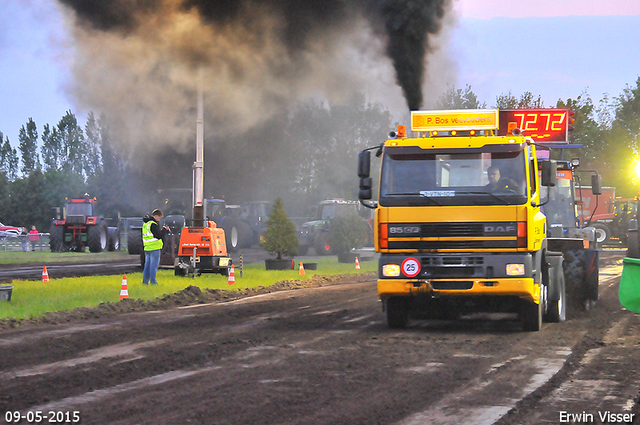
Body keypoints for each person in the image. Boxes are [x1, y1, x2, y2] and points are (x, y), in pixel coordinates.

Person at [142, 209, 169, 285]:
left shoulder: (146, 224)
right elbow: (158, 235)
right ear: (156, 216)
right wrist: (164, 230)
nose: (159, 220)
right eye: (159, 218)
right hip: (154, 248)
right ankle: (153, 282)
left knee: (147, 266)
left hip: (147, 248)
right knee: (153, 266)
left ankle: (145, 282)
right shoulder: (153, 224)